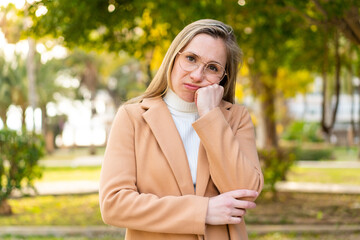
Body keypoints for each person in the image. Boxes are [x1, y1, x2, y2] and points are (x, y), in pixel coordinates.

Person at [99, 19, 264, 240]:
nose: (197, 75)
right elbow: (114, 204)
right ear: (173, 57)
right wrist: (202, 211)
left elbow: (245, 193)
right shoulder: (132, 118)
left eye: (212, 67)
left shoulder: (236, 118)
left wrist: (211, 117)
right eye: (191, 59)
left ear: (224, 77)